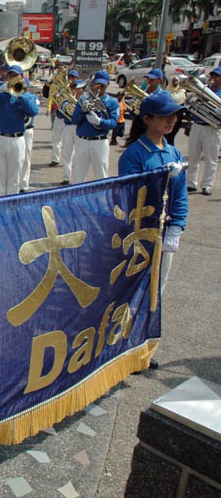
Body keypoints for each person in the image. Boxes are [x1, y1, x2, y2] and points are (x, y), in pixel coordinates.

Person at [119, 93, 187, 372]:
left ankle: (144, 347)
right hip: (140, 233)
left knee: (156, 293)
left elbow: (180, 196)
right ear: (147, 119)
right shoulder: (134, 154)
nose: (172, 120)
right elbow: (128, 194)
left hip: (163, 232)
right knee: (134, 292)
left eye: (174, 115)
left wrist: (176, 227)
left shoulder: (174, 152)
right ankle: (125, 347)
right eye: (165, 116)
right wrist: (158, 178)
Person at [0, 64, 39, 196]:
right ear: (7, 77)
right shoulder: (0, 94)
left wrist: (20, 95)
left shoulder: (26, 96)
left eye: (16, 75)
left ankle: (11, 204)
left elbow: (33, 111)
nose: (13, 78)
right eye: (11, 75)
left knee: (14, 178)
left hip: (17, 138)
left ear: (21, 77)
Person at [70, 70, 119, 183]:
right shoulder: (84, 99)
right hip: (82, 141)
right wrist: (82, 110)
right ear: (93, 83)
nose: (99, 87)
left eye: (103, 85)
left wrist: (99, 121)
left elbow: (113, 123)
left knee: (101, 175)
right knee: (77, 175)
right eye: (97, 84)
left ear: (108, 84)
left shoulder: (112, 102)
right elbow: (74, 120)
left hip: (100, 141)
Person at [186, 66, 221, 196]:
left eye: (217, 76)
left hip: (212, 128)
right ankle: (190, 183)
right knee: (193, 156)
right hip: (197, 125)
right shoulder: (204, 90)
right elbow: (192, 104)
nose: (214, 78)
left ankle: (207, 185)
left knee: (210, 159)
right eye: (213, 76)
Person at [50, 70, 79, 166]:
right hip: (60, 116)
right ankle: (55, 159)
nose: (71, 80)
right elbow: (51, 96)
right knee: (56, 139)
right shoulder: (63, 89)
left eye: (73, 78)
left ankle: (70, 162)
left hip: (70, 120)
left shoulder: (80, 92)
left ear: (77, 78)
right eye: (69, 77)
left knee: (69, 144)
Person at [19, 79, 41, 193]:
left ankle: (23, 183)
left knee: (25, 157)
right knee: (23, 157)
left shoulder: (32, 97)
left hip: (27, 129)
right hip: (18, 129)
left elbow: (35, 110)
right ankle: (21, 183)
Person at [61, 79, 84, 185]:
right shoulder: (67, 101)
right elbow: (60, 115)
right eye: (74, 87)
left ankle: (76, 179)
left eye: (78, 88)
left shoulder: (85, 101)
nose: (76, 90)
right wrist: (63, 107)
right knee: (67, 152)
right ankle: (66, 177)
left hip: (80, 127)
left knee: (79, 153)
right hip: (68, 126)